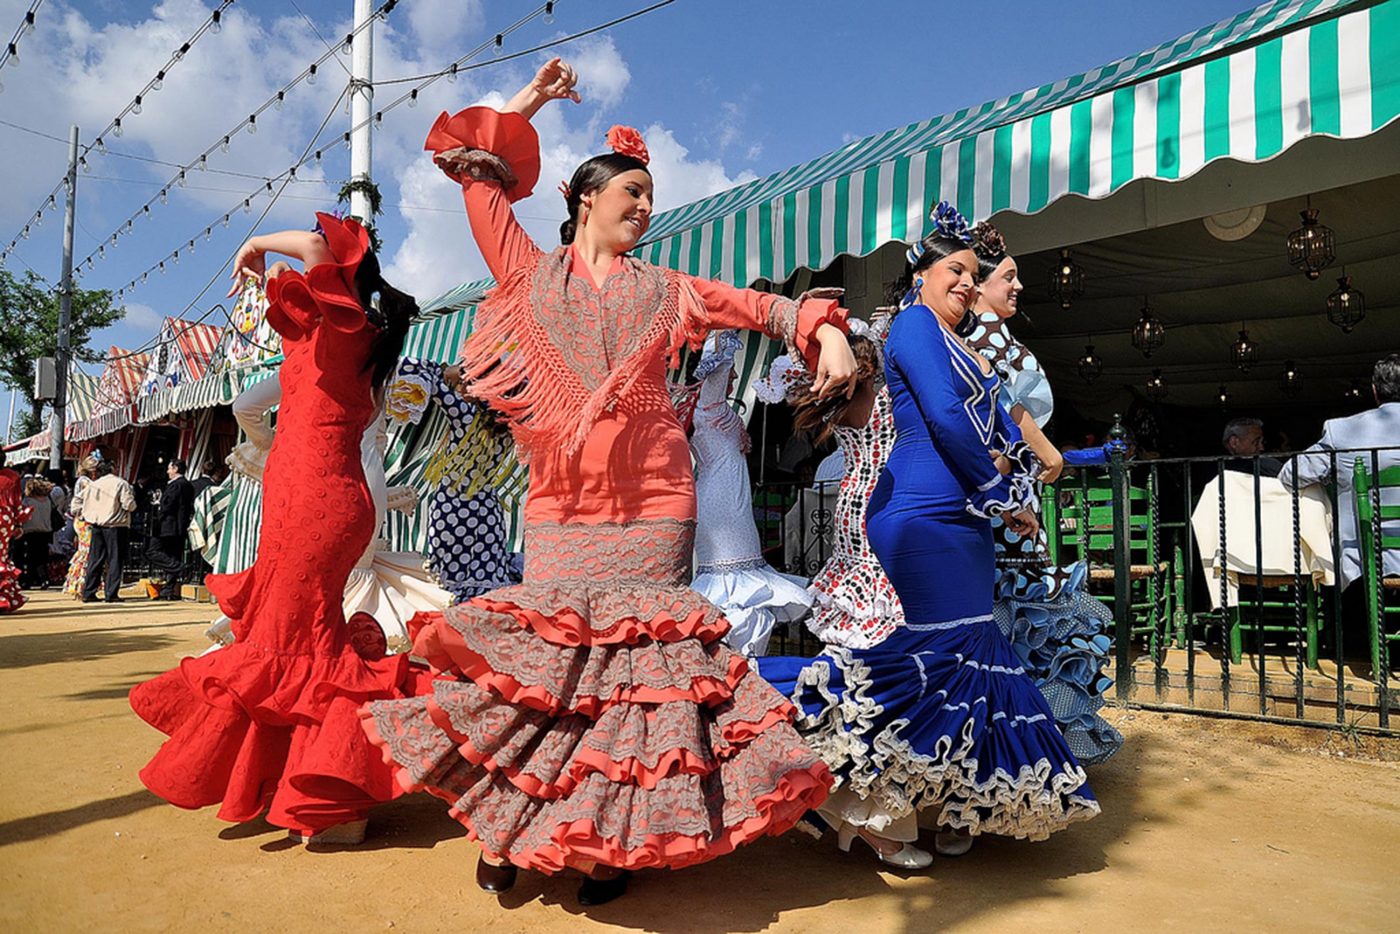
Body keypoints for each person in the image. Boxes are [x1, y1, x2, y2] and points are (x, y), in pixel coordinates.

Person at [360, 58, 850, 906]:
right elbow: (478, 174)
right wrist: (532, 103)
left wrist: (824, 330)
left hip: (658, 501)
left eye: (652, 198)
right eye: (635, 193)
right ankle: (510, 824)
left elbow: (762, 309)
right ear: (589, 197)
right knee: (549, 679)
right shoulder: (523, 271)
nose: (647, 209)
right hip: (561, 504)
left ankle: (610, 840)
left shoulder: (670, 289)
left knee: (636, 685)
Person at [766, 203, 1098, 869]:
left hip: (963, 523)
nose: (967, 284)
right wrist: (1001, 492)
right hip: (920, 519)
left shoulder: (961, 345)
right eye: (956, 270)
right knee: (926, 664)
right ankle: (837, 781)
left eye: (975, 276)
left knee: (968, 663)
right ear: (920, 275)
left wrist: (1020, 479)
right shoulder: (916, 327)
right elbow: (947, 418)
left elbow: (996, 424)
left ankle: (958, 807)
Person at [128, 215, 432, 843]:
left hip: (317, 500)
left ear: (338, 280)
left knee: (298, 643)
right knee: (289, 635)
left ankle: (331, 801)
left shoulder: (346, 328)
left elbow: (315, 247)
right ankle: (298, 787)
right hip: (306, 497)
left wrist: (254, 244)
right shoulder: (345, 338)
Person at [965, 222, 1122, 765]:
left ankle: (1012, 752)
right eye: (1008, 277)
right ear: (979, 285)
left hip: (1010, 493)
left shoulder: (980, 334)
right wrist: (1045, 450)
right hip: (1008, 497)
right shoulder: (984, 337)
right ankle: (1021, 755)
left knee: (1011, 620)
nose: (1018, 287)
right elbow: (1002, 403)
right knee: (1021, 619)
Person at [689, 330, 812, 657]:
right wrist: (726, 326)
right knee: (732, 581)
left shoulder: (717, 410)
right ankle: (735, 658)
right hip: (720, 503)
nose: (732, 376)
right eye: (729, 372)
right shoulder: (707, 406)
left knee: (743, 580)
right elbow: (717, 366)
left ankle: (740, 657)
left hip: (729, 497)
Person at [388, 357, 522, 602]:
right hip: (487, 510)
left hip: (452, 508)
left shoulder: (465, 415)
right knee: (486, 589)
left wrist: (449, 370)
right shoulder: (510, 424)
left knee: (448, 587)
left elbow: (412, 366)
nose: (461, 386)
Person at [1280, 353, 1400, 589]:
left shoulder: (1343, 431)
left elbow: (1289, 475)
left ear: (1375, 391)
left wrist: (1329, 477)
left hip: (1364, 565)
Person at [72, 459, 136, 603]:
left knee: (95, 559)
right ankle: (111, 593)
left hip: (96, 525)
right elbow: (129, 505)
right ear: (113, 469)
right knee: (115, 560)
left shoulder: (93, 485)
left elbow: (76, 502)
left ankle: (89, 592)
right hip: (116, 526)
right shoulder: (121, 483)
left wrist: (82, 514)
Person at [147, 458, 194, 600]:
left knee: (152, 551)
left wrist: (158, 509)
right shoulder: (188, 485)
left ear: (175, 469)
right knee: (173, 554)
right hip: (180, 525)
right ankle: (168, 589)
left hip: (167, 526)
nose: (167, 472)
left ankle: (180, 568)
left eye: (169, 468)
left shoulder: (176, 485)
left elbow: (168, 506)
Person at [62, 456, 100, 599]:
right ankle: (81, 585)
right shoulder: (86, 482)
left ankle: (78, 585)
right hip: (85, 520)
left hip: (80, 520)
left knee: (84, 551)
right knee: (87, 552)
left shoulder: (81, 481)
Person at [0, 450, 29, 613]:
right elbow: (17, 503)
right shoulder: (12, 477)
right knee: (1, 558)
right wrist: (18, 524)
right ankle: (3, 597)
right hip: (4, 520)